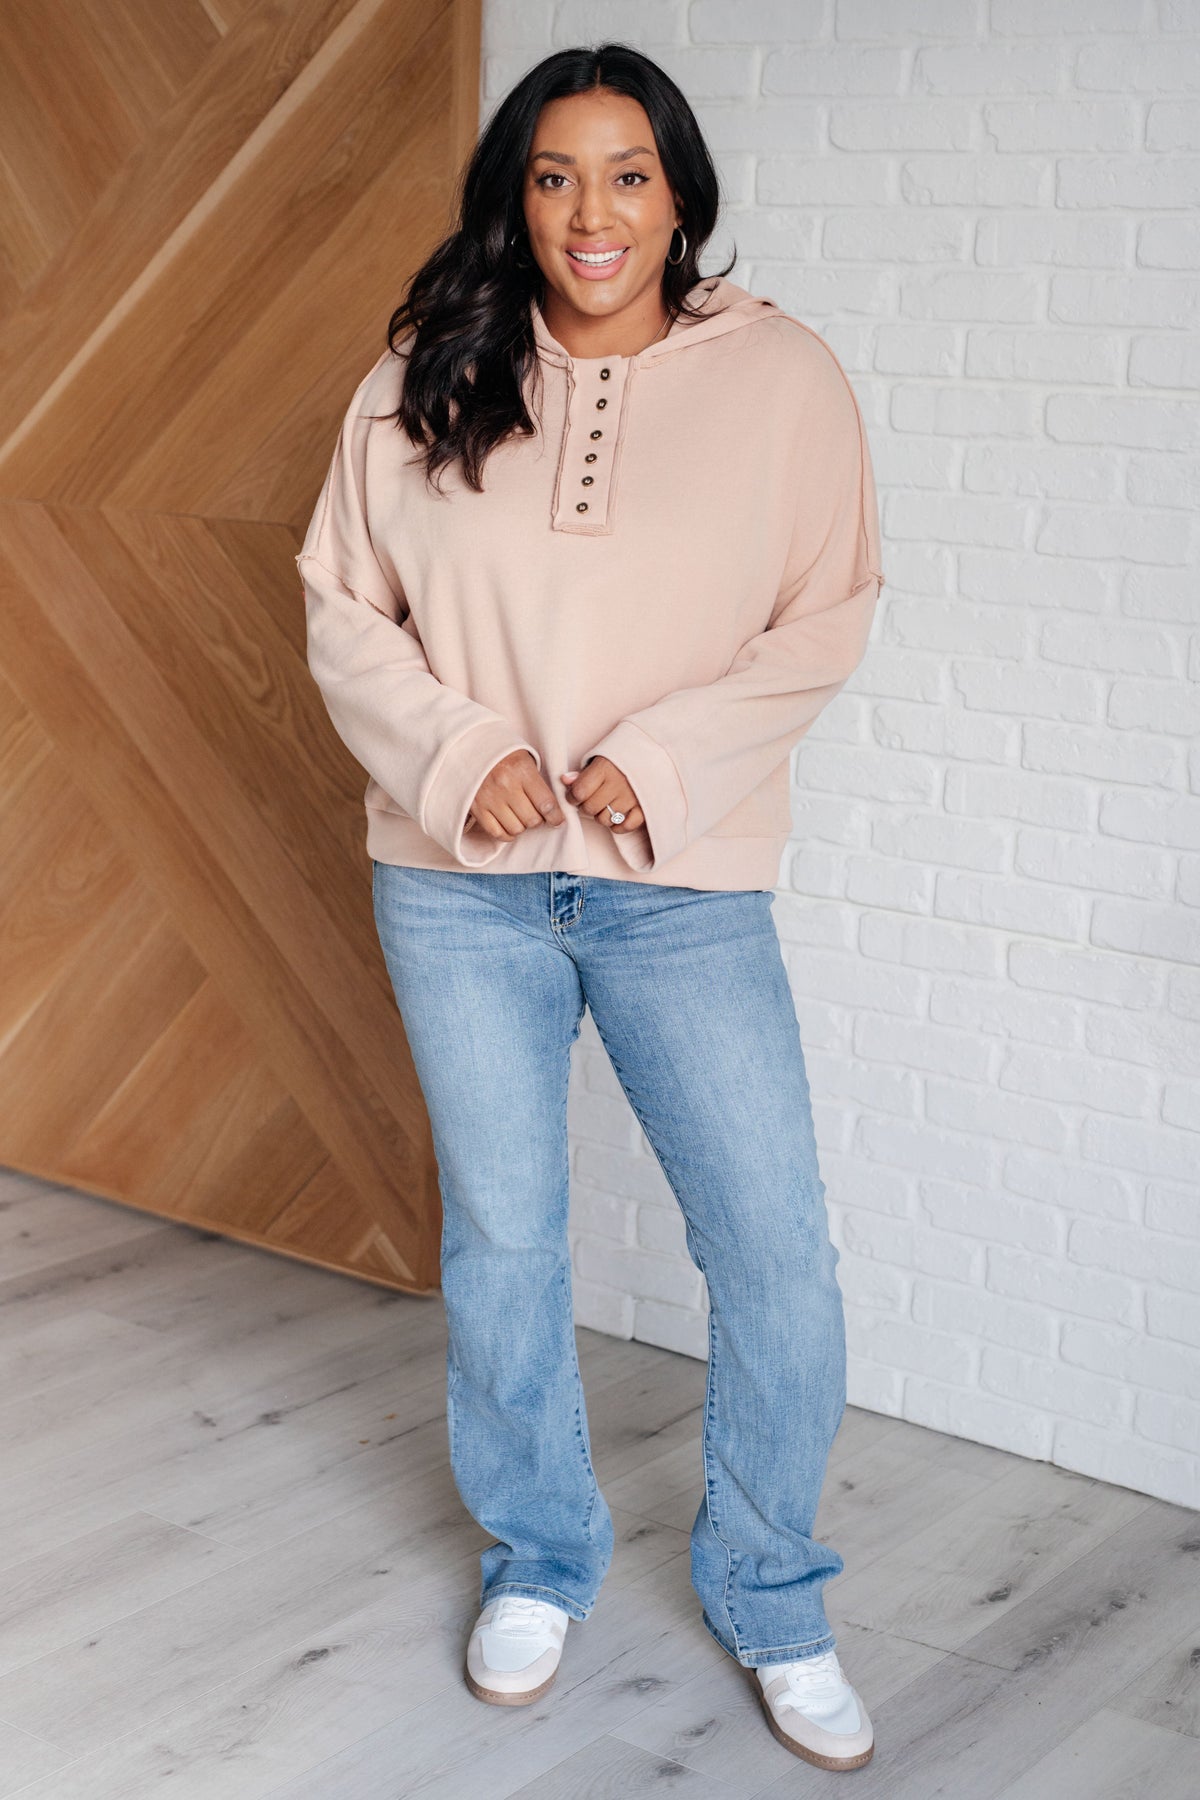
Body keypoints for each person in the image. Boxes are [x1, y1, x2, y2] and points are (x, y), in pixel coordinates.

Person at [295, 41, 884, 1772]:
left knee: (774, 1255)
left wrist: (667, 761)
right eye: (554, 176)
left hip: (678, 890)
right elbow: (342, 604)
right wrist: (458, 750)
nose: (591, 212)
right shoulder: (423, 373)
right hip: (456, 893)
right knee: (505, 1243)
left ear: (679, 193)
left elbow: (829, 612)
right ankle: (539, 1559)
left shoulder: (784, 378)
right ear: (516, 197)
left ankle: (774, 1594)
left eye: (627, 173)